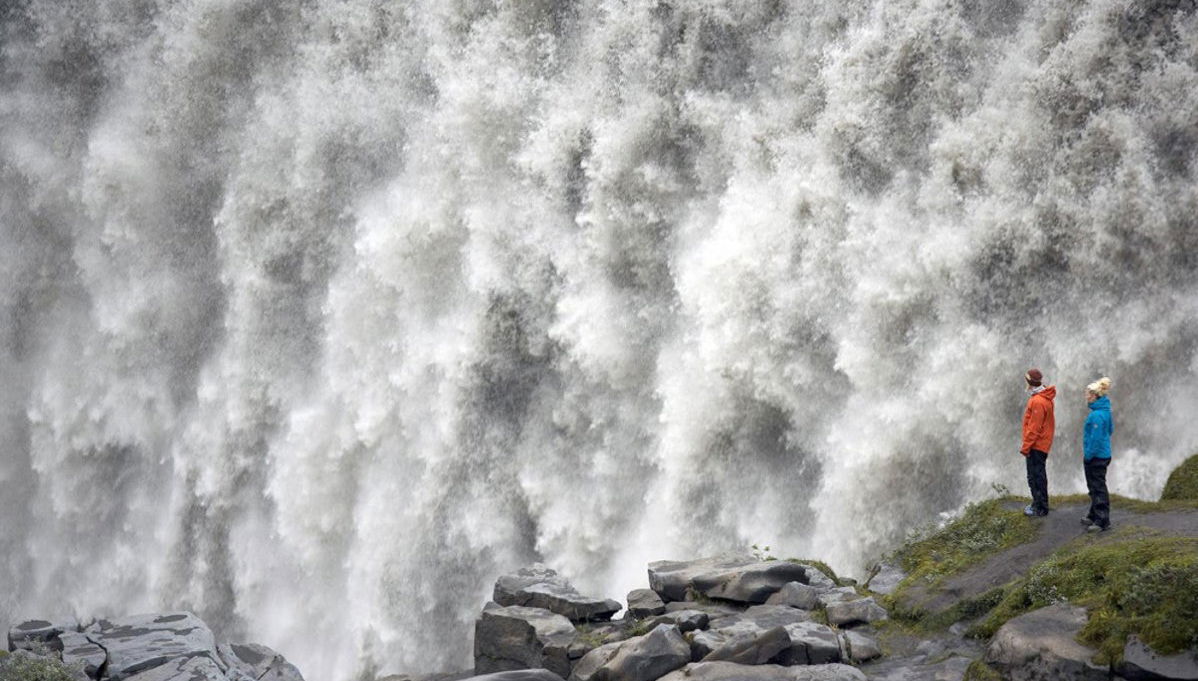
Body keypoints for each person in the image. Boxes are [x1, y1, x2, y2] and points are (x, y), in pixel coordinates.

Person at [1021, 368, 1056, 516]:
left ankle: (1040, 507)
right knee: (1038, 474)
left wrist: (1026, 447)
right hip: (1042, 443)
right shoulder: (1044, 398)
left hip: (1036, 445)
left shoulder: (1037, 401)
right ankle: (1040, 503)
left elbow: (1034, 428)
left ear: (1030, 382)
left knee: (1035, 476)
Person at [1082, 377, 1114, 531]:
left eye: (1087, 393)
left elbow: (1094, 439)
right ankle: (1094, 515)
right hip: (1104, 454)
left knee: (1097, 487)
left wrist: (1088, 455)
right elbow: (1110, 430)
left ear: (1094, 396)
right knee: (1095, 486)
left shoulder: (1096, 416)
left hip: (1096, 457)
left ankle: (1102, 521)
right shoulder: (1105, 411)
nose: (1085, 396)